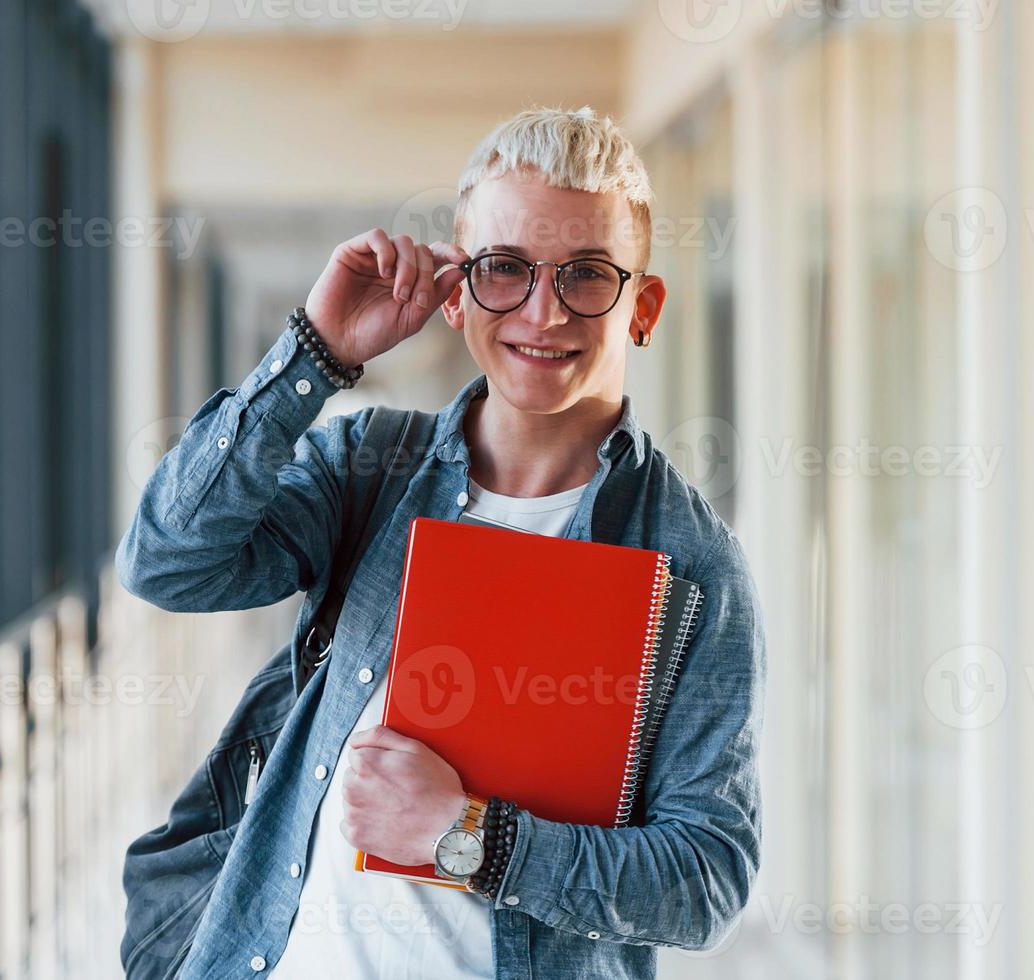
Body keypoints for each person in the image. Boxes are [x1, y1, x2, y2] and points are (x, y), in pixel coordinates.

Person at [116, 105, 765, 980]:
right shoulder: (368, 466)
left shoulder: (693, 566)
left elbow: (704, 878)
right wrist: (313, 357)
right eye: (506, 269)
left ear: (641, 307)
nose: (544, 311)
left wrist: (470, 838)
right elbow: (169, 563)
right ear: (458, 294)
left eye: (586, 275)